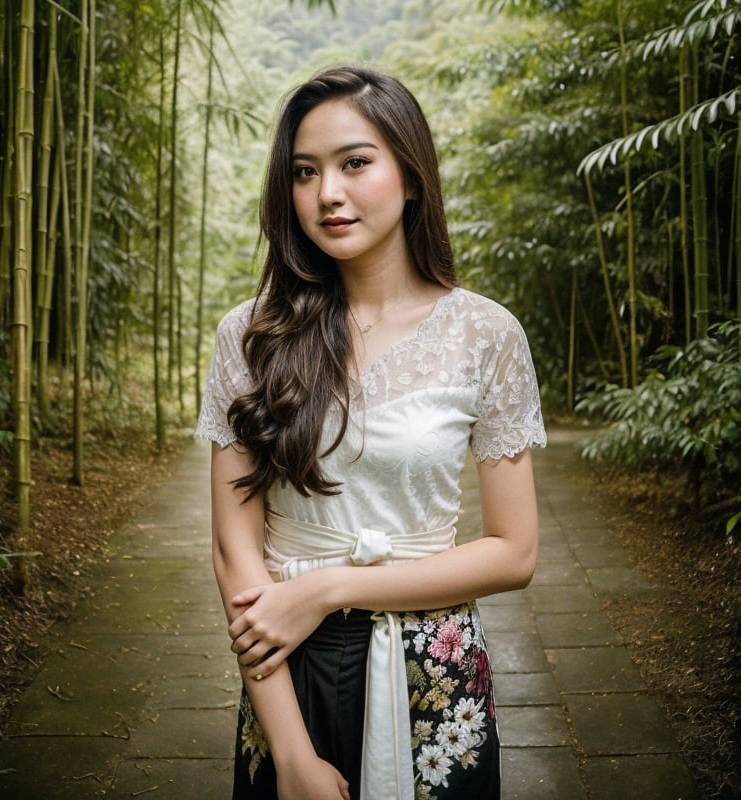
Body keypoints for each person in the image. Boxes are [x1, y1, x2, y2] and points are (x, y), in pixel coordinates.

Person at [195, 64, 546, 800]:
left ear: (411, 176)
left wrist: (328, 589)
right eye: (304, 171)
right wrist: (290, 755)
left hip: (436, 669)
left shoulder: (486, 334)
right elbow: (235, 549)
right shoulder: (251, 334)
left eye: (356, 163)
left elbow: (514, 552)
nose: (328, 193)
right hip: (287, 666)